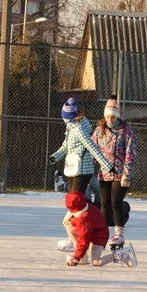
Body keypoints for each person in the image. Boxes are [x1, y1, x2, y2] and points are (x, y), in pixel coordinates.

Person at [49, 97, 114, 252]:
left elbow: (92, 147)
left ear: (69, 117)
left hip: (82, 171)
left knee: (76, 205)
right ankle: (80, 235)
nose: (63, 121)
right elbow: (65, 147)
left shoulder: (78, 129)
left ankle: (80, 239)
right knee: (78, 203)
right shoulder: (71, 128)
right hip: (73, 169)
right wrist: (54, 156)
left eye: (64, 118)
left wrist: (106, 166)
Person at [92, 95, 138, 250]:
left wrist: (127, 174)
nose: (110, 120)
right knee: (104, 204)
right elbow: (93, 150)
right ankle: (102, 232)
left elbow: (130, 154)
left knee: (115, 203)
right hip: (104, 174)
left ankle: (119, 234)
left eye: (112, 117)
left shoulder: (126, 132)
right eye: (107, 117)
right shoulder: (99, 131)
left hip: (120, 175)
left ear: (117, 116)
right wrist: (89, 168)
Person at [62, 192, 136, 268]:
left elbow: (84, 240)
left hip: (99, 236)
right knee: (69, 227)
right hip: (93, 231)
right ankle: (83, 257)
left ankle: (122, 254)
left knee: (96, 262)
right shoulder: (85, 206)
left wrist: (76, 257)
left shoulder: (84, 220)